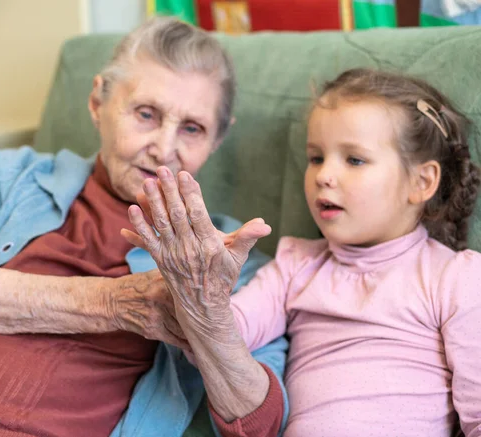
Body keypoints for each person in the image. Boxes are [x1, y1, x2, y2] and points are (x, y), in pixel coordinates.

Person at [0, 17, 287, 437]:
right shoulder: (16, 177)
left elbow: (260, 424)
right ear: (98, 103)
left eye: (192, 128)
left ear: (217, 139)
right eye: (146, 114)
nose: (165, 149)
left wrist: (208, 320)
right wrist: (113, 302)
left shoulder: (228, 256)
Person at [125, 68, 481, 437]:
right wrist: (197, 289)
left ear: (421, 182)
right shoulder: (296, 265)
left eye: (354, 160)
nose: (324, 175)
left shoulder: (456, 277)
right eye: (316, 158)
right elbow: (221, 341)